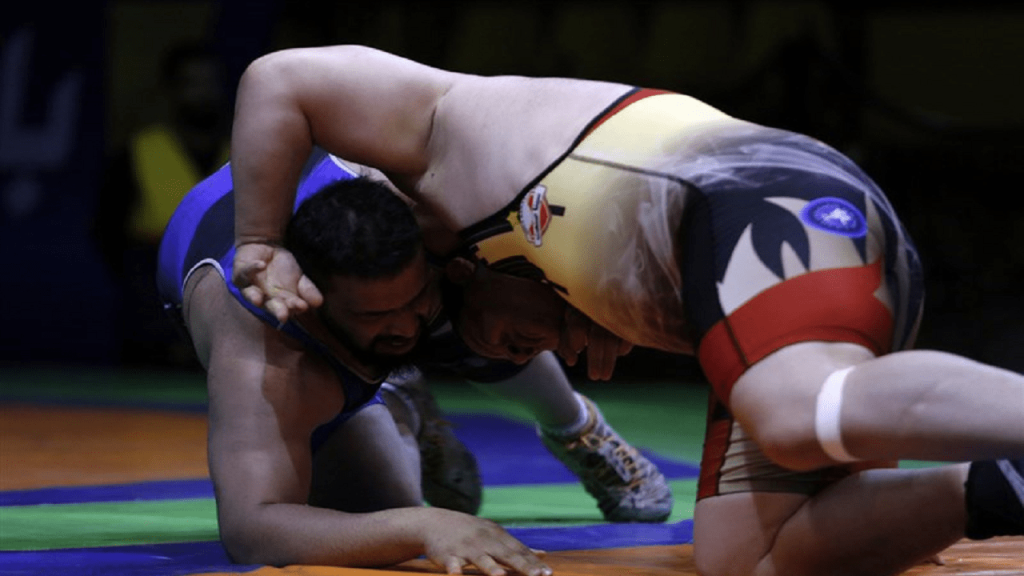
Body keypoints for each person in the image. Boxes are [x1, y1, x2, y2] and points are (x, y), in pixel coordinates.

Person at [226, 45, 1024, 576]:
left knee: (791, 410)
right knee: (744, 557)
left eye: (487, 332)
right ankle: (1002, 488)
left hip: (763, 191)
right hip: (788, 285)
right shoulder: (581, 271)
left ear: (464, 265)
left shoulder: (441, 133)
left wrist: (258, 241)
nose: (517, 348)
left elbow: (279, 77)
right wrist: (607, 299)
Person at [155, 150, 671, 574]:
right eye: (378, 314)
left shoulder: (440, 216)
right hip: (245, 281)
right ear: (312, 298)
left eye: (416, 299)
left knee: (499, 317)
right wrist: (425, 525)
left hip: (387, 234)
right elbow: (251, 532)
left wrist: (595, 300)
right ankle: (402, 408)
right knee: (383, 513)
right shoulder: (265, 357)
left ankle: (577, 426)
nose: (406, 327)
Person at [95, 43, 231, 367]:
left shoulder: (242, 152)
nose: (204, 94)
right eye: (192, 83)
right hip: (151, 307)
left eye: (211, 83)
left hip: (227, 309)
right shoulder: (140, 151)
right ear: (171, 91)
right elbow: (106, 232)